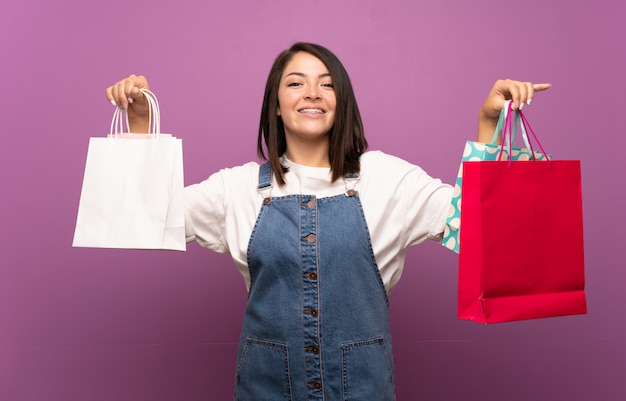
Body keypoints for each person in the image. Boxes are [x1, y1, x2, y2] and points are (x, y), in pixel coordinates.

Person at [106, 42, 550, 401]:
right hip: (263, 390)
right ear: (276, 106)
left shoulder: (388, 178)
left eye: (327, 84)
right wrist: (140, 125)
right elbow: (147, 218)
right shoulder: (236, 189)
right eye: (295, 83)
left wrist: (489, 123)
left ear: (342, 102)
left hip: (365, 390)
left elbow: (474, 229)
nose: (312, 93)